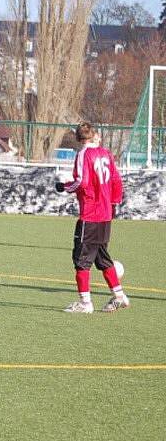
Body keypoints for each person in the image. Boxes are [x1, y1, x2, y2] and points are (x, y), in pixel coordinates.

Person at [56, 123, 129, 313]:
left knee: (81, 260)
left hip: (90, 214)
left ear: (78, 138)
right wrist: (112, 203)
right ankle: (119, 297)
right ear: (94, 134)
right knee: (102, 258)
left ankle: (85, 303)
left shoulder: (83, 154)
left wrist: (64, 187)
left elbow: (82, 181)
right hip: (105, 215)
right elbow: (116, 180)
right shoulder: (105, 153)